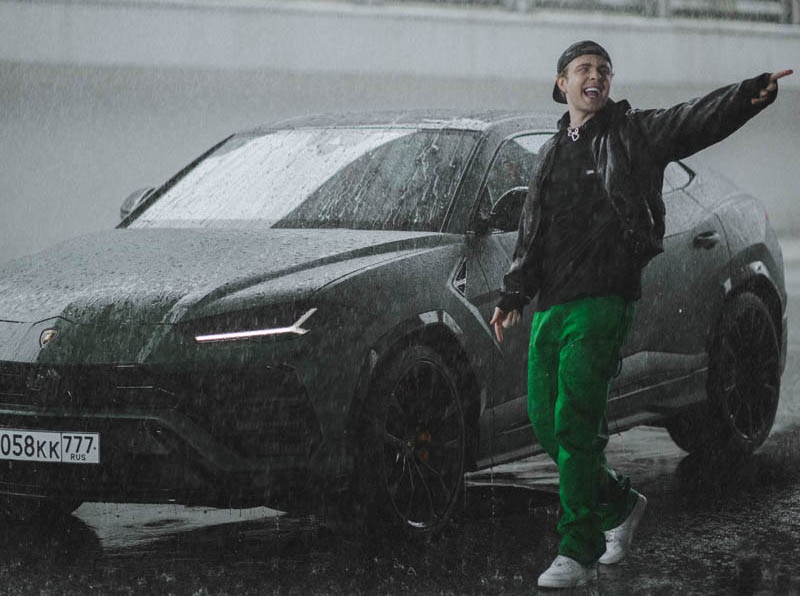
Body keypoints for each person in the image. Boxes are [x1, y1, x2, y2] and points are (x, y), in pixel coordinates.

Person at [489, 40, 792, 589]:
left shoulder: (633, 133)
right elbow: (532, 234)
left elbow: (693, 120)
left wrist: (747, 95)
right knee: (545, 421)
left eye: (604, 70)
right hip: (551, 306)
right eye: (584, 69)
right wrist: (513, 295)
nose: (596, 77)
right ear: (561, 83)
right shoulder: (552, 154)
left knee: (575, 422)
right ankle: (621, 503)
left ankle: (578, 551)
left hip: (604, 300)